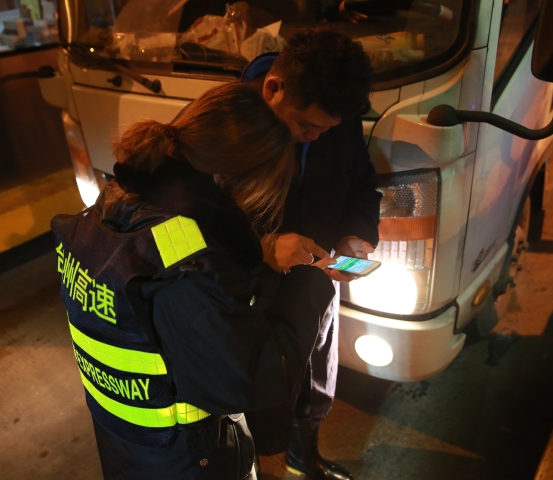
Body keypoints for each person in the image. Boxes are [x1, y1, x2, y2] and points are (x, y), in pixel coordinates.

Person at [51, 82, 336, 479]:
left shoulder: (115, 203)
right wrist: (310, 285)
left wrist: (256, 250)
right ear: (231, 178)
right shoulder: (190, 269)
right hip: (191, 460)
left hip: (126, 446)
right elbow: (255, 379)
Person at [241, 30, 381, 480]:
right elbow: (193, 221)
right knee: (267, 392)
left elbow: (361, 186)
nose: (315, 138)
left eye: (328, 130)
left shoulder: (335, 122)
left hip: (317, 280)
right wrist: (264, 246)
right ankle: (267, 464)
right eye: (306, 127)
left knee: (316, 377)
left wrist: (355, 236)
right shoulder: (226, 123)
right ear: (272, 89)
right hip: (253, 293)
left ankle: (306, 456)